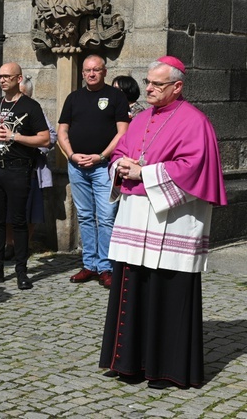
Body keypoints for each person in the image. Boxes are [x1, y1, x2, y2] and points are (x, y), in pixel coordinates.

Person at [99, 56, 227, 389]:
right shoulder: (141, 118)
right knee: (134, 287)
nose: (149, 88)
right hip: (135, 219)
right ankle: (129, 364)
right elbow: (119, 153)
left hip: (171, 223)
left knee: (165, 291)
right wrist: (121, 167)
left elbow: (194, 167)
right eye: (149, 82)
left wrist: (146, 173)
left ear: (177, 87)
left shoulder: (196, 122)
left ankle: (165, 369)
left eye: (157, 84)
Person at [0, 62, 50, 290]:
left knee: (18, 222)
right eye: (0, 76)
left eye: (7, 76)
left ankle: (21, 271)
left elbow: (45, 139)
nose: (2, 80)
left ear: (18, 79)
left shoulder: (30, 106)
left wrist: (14, 137)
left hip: (19, 169)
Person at [57, 55, 129, 288]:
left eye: (96, 70)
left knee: (106, 217)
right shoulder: (74, 98)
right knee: (86, 217)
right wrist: (71, 155)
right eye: (87, 70)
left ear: (105, 72)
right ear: (82, 74)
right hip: (77, 167)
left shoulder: (116, 97)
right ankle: (90, 265)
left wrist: (102, 156)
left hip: (104, 167)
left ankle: (106, 267)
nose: (91, 74)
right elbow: (62, 131)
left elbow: (122, 133)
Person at [6, 76, 57, 254]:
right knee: (8, 210)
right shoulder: (3, 109)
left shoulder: (35, 110)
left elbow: (51, 137)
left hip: (30, 167)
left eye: (21, 94)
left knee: (30, 210)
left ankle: (24, 245)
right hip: (8, 166)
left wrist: (32, 146)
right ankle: (10, 244)